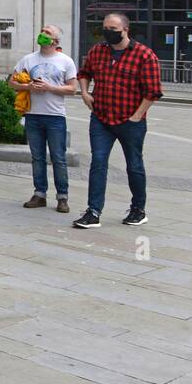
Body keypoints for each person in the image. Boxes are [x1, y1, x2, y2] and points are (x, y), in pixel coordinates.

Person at [74, 12, 162, 229]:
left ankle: (138, 209)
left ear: (125, 30)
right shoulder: (98, 51)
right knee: (98, 162)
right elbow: (84, 72)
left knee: (134, 165)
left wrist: (137, 116)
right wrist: (85, 93)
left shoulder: (144, 55)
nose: (107, 33)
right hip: (101, 118)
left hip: (130, 121)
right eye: (105, 28)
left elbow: (153, 92)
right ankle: (93, 211)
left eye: (112, 29)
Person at [9, 24, 77, 214]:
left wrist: (50, 87)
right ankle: (39, 194)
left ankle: (62, 197)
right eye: (42, 31)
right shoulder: (28, 59)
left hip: (55, 116)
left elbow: (73, 89)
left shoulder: (65, 61)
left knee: (58, 158)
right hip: (33, 115)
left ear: (56, 41)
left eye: (48, 33)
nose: (42, 34)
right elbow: (11, 82)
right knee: (37, 158)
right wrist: (29, 87)